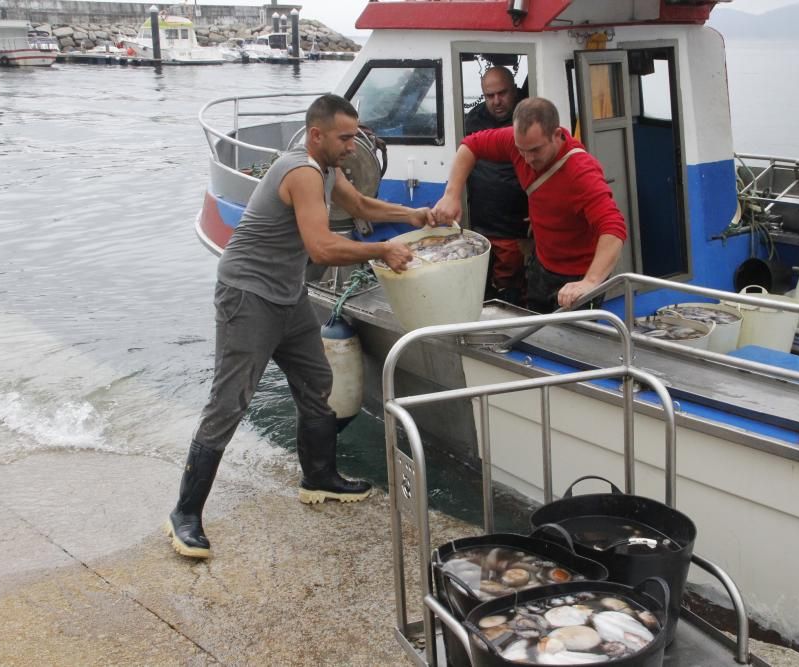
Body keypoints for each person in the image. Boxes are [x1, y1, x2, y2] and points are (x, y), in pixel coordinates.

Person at [167, 94, 437, 559]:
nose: (354, 145)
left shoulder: (328, 169)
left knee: (316, 381)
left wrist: (410, 216)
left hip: (287, 295)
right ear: (317, 135)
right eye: (345, 137)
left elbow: (361, 206)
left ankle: (319, 477)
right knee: (228, 402)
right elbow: (321, 247)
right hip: (248, 296)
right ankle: (185, 514)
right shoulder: (301, 172)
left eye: (356, 135)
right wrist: (381, 251)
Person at [434, 97, 626, 313]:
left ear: (556, 135)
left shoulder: (582, 172)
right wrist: (452, 194)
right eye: (521, 150)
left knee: (573, 341)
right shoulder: (519, 143)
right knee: (536, 330)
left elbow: (614, 228)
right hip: (542, 264)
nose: (526, 159)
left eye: (535, 150)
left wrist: (590, 282)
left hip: (578, 275)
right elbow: (471, 145)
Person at [462, 66, 529, 305]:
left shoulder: (529, 118)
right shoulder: (473, 120)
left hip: (516, 228)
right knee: (479, 286)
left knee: (512, 287)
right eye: (490, 96)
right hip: (480, 224)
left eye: (502, 93)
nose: (497, 101)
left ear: (515, 91)